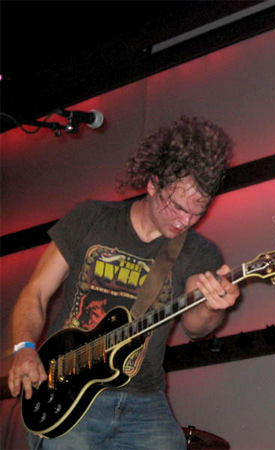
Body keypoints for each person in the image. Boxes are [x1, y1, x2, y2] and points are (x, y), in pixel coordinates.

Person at [8, 116, 241, 449]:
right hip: (67, 390)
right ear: (153, 184)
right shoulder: (91, 218)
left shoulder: (199, 251)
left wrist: (214, 306)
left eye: (198, 212)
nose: (186, 221)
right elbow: (36, 292)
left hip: (145, 402)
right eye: (177, 207)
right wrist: (25, 349)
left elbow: (195, 325)